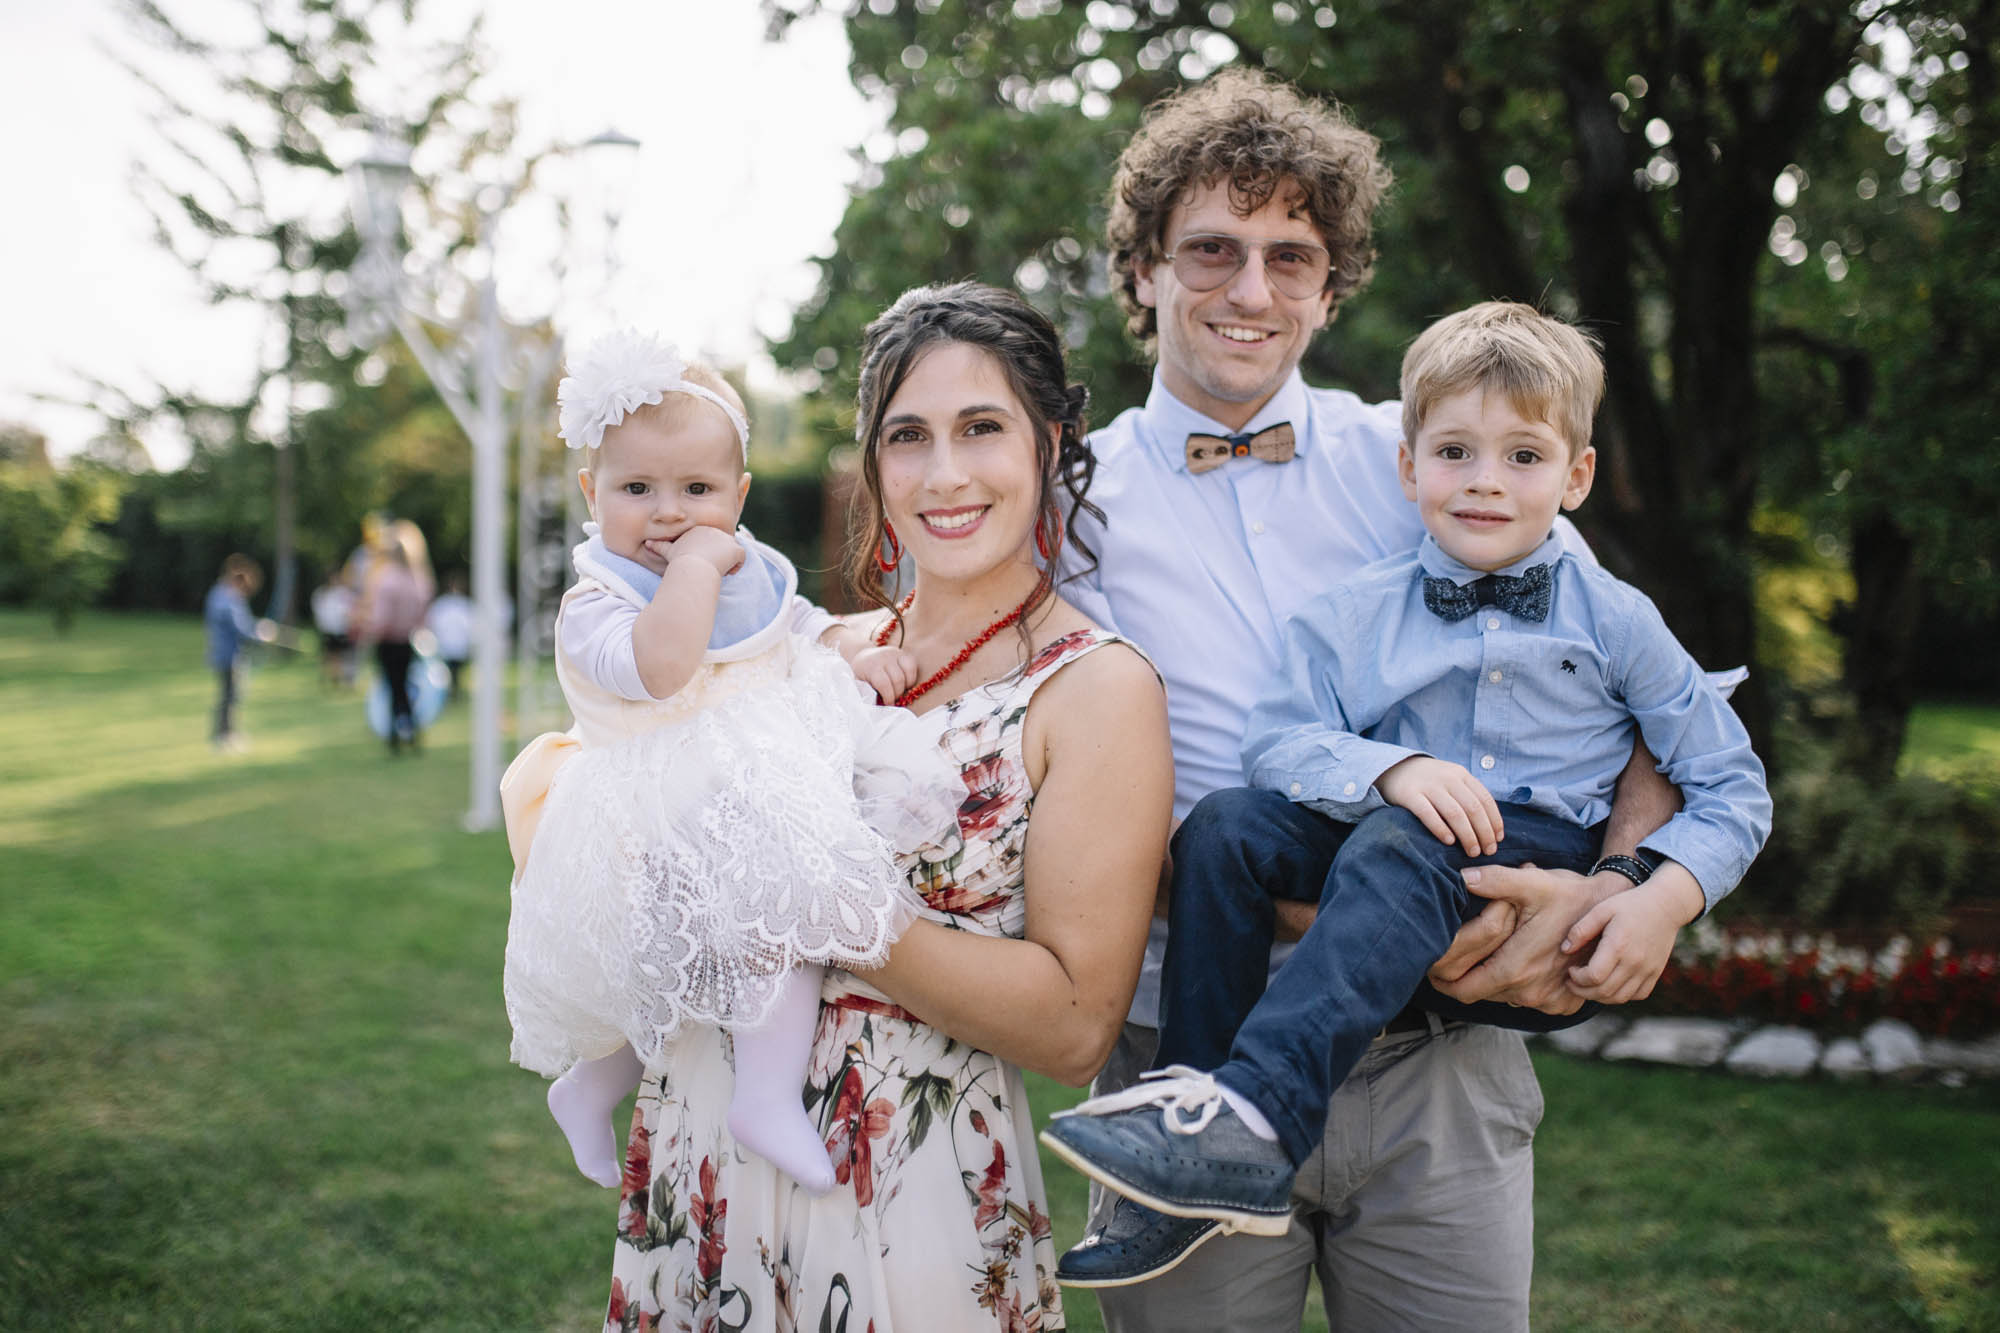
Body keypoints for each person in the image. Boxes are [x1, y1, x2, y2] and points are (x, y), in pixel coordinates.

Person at [1049, 70, 1684, 1330]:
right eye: (1210, 250)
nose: (1249, 289)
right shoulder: (1061, 503)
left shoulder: (1434, 457)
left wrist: (1614, 886)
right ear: (1140, 271)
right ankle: (1198, 1153)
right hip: (1191, 1037)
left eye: (1291, 255)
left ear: (1332, 284)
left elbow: (1632, 692)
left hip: (1437, 1060)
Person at [1044, 298, 1774, 1270]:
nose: (1484, 482)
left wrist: (1652, 897)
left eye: (1522, 457)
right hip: (1402, 844)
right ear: (1407, 465)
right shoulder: (1357, 611)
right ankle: (1183, 1125)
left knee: (1398, 841)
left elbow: (1730, 785)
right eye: (1454, 452)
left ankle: (1255, 1123)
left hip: (1531, 881)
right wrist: (1391, 766)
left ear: (1575, 475)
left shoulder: (1616, 618)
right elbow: (1277, 742)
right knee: (1223, 826)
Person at [598, 284, 1173, 1332]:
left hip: (906, 1181)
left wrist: (837, 910)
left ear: (1048, 442)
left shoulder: (1094, 688)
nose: (943, 473)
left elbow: (1077, 1026)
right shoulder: (801, 650)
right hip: (704, 1143)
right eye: (907, 436)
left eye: (981, 429)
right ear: (873, 463)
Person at [499, 331, 956, 1197]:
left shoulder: (747, 577)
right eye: (638, 489)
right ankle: (753, 1095)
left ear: (738, 494)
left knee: (756, 936)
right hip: (649, 824)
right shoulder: (596, 605)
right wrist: (703, 564)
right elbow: (666, 664)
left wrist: (846, 653)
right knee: (696, 963)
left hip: (732, 803)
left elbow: (793, 626)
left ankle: (613, 1091)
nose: (669, 513)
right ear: (594, 494)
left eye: (697, 491)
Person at [203, 553, 263, 751]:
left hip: (223, 653)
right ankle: (225, 736)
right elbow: (242, 628)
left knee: (229, 696)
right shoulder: (228, 597)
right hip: (228, 654)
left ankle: (227, 734)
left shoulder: (218, 593)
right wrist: (260, 633)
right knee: (230, 696)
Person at [424, 572, 473, 698]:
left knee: (454, 671)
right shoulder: (446, 604)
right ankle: (451, 691)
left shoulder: (461, 604)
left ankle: (453, 691)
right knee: (450, 671)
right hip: (448, 643)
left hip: (455, 643)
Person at [310, 569, 357, 689]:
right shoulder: (321, 593)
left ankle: (346, 678)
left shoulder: (343, 593)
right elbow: (319, 612)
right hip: (328, 629)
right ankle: (331, 678)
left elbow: (349, 609)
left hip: (342, 628)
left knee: (344, 655)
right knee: (330, 655)